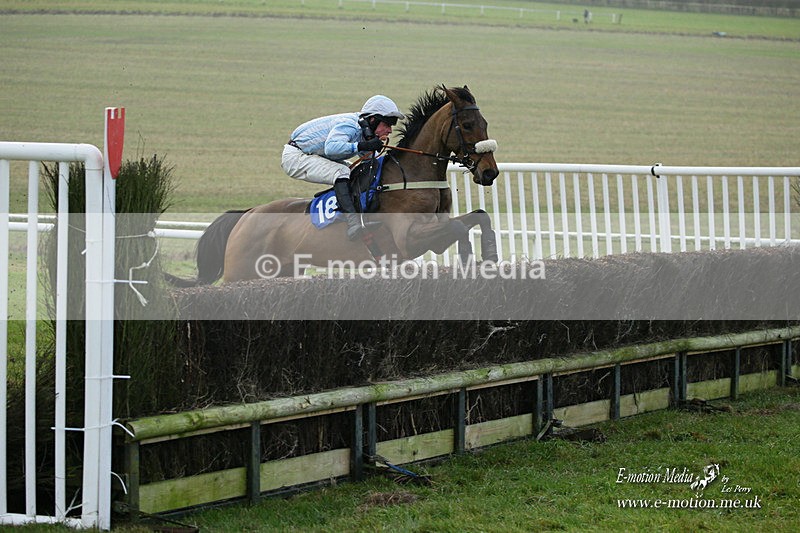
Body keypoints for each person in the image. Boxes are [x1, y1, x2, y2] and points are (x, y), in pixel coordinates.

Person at [281, 95, 405, 240]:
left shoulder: (366, 130)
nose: (390, 130)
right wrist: (363, 145)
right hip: (295, 156)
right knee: (341, 172)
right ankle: (353, 223)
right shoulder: (350, 124)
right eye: (387, 124)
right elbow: (331, 148)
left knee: (356, 173)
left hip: (312, 154)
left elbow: (371, 162)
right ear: (373, 120)